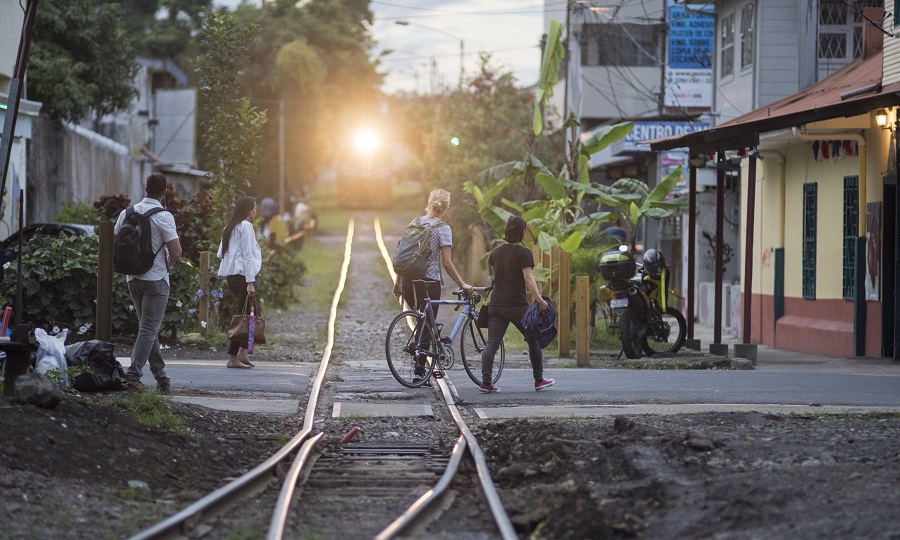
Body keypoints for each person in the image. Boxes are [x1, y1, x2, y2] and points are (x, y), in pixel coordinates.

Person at [392, 188, 473, 383]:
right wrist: (462, 283)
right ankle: (420, 373)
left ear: (429, 203)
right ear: (446, 207)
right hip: (429, 281)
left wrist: (397, 281)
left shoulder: (415, 222)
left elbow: (402, 254)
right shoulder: (443, 228)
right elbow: (447, 262)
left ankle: (423, 362)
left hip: (409, 280)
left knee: (422, 321)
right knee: (426, 325)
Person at [115, 172, 182, 394]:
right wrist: (168, 264)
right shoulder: (164, 216)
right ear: (165, 192)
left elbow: (116, 239)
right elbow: (176, 251)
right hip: (156, 279)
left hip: (132, 278)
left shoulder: (127, 212)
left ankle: (162, 378)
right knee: (148, 329)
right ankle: (133, 376)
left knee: (148, 328)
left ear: (145, 189)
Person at [480, 215, 553, 393]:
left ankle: (486, 383)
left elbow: (495, 277)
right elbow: (529, 278)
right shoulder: (524, 253)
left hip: (496, 305)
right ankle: (539, 380)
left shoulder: (495, 252)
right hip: (517, 307)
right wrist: (540, 301)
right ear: (522, 233)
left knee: (491, 344)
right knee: (533, 339)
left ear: (505, 231)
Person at [217, 196, 263, 369]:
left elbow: (220, 253)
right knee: (244, 315)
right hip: (243, 277)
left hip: (232, 277)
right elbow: (248, 256)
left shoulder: (230, 227)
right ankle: (233, 357)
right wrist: (250, 282)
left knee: (253, 313)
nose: (256, 211)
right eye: (255, 208)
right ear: (250, 210)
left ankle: (243, 352)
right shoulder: (246, 226)